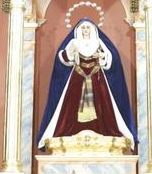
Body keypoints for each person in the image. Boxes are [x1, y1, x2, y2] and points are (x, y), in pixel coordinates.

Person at [37, 19, 136, 147]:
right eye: (83, 28)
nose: (85, 30)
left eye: (88, 28)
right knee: (71, 105)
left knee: (102, 104)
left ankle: (103, 132)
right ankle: (69, 132)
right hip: (78, 75)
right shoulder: (74, 42)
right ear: (79, 30)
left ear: (93, 30)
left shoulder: (98, 42)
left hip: (96, 77)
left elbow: (110, 56)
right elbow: (63, 58)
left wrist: (102, 57)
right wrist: (71, 53)